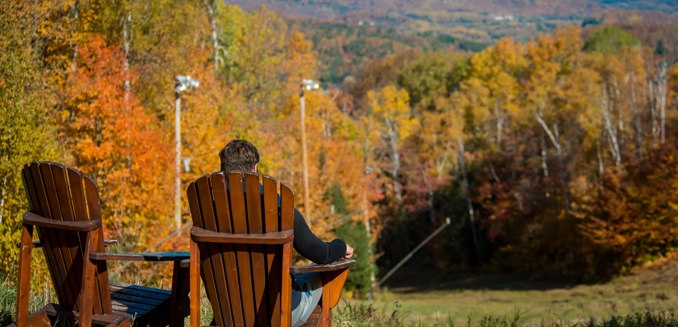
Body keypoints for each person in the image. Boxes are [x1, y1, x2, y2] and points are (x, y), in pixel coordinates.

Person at [219, 139, 354, 326]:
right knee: (322, 277)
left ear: (223, 168)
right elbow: (322, 254)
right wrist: (341, 246)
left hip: (225, 310)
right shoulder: (277, 206)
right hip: (276, 312)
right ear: (255, 168)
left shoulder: (207, 203)